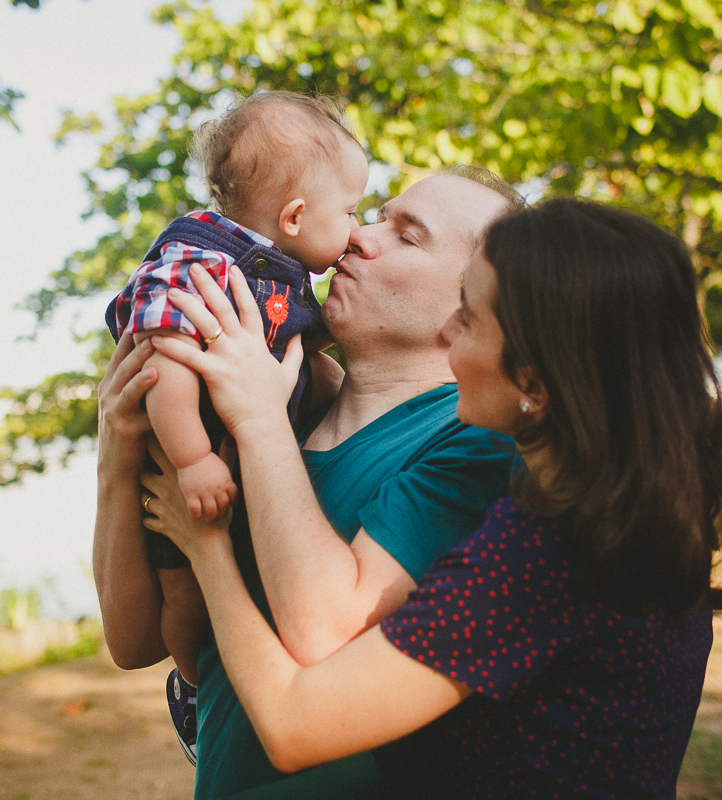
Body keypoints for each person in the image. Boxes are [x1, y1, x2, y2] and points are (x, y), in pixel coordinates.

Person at [144, 196, 722, 798]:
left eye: (471, 320)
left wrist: (208, 546)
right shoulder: (612, 532)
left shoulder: (549, 558)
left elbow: (292, 723)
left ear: (535, 381)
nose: (450, 332)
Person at [94, 167, 525, 797]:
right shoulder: (274, 410)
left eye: (407, 236)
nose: (359, 236)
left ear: (473, 305)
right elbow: (134, 643)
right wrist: (116, 457)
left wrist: (255, 421)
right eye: (377, 216)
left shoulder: (476, 443)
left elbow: (327, 636)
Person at [102, 90, 367, 736]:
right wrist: (191, 459)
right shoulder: (203, 267)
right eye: (353, 212)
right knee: (184, 597)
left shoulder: (279, 284)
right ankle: (199, 688)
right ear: (295, 216)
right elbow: (167, 364)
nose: (359, 232)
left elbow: (294, 334)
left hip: (228, 492)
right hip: (187, 469)